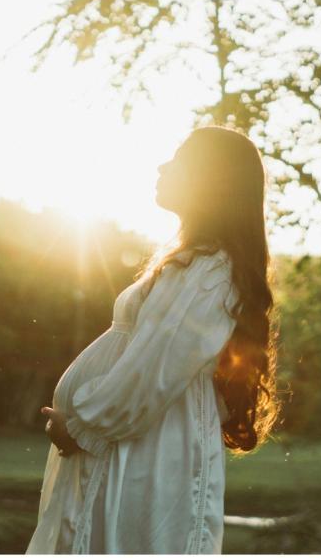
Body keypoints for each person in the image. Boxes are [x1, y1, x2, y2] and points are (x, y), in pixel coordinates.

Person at [25, 125, 280, 554]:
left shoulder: (211, 273)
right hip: (131, 446)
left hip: (147, 454)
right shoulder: (193, 263)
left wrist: (85, 424)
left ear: (210, 180)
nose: (163, 166)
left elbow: (155, 369)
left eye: (179, 160)